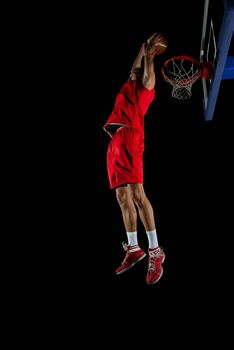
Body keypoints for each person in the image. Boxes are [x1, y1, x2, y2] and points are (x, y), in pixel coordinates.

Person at [103, 33, 166, 285]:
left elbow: (145, 68)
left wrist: (150, 52)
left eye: (140, 69)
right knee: (122, 197)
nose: (135, 71)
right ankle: (133, 248)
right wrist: (142, 46)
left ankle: (155, 250)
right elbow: (133, 68)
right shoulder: (130, 82)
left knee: (138, 195)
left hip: (130, 136)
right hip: (115, 141)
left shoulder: (147, 86)